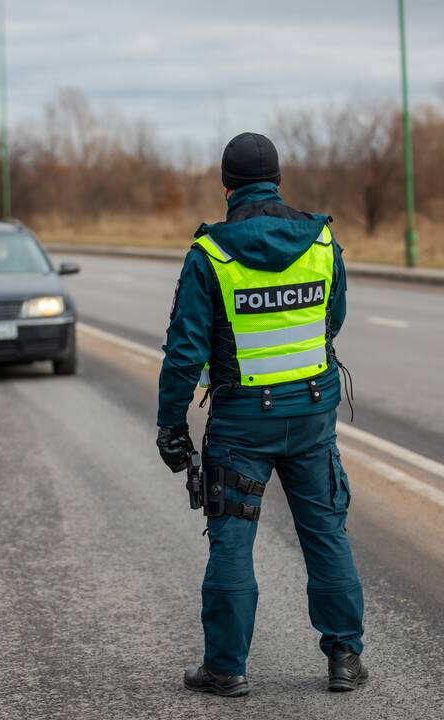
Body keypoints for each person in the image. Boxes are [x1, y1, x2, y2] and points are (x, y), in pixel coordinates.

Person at [156, 132, 366, 697]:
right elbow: (332, 319)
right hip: (313, 412)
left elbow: (184, 353)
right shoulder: (322, 241)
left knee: (231, 543)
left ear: (226, 186)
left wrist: (170, 425)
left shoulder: (212, 254)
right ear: (278, 178)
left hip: (242, 425)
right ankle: (344, 657)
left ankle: (226, 669)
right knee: (325, 534)